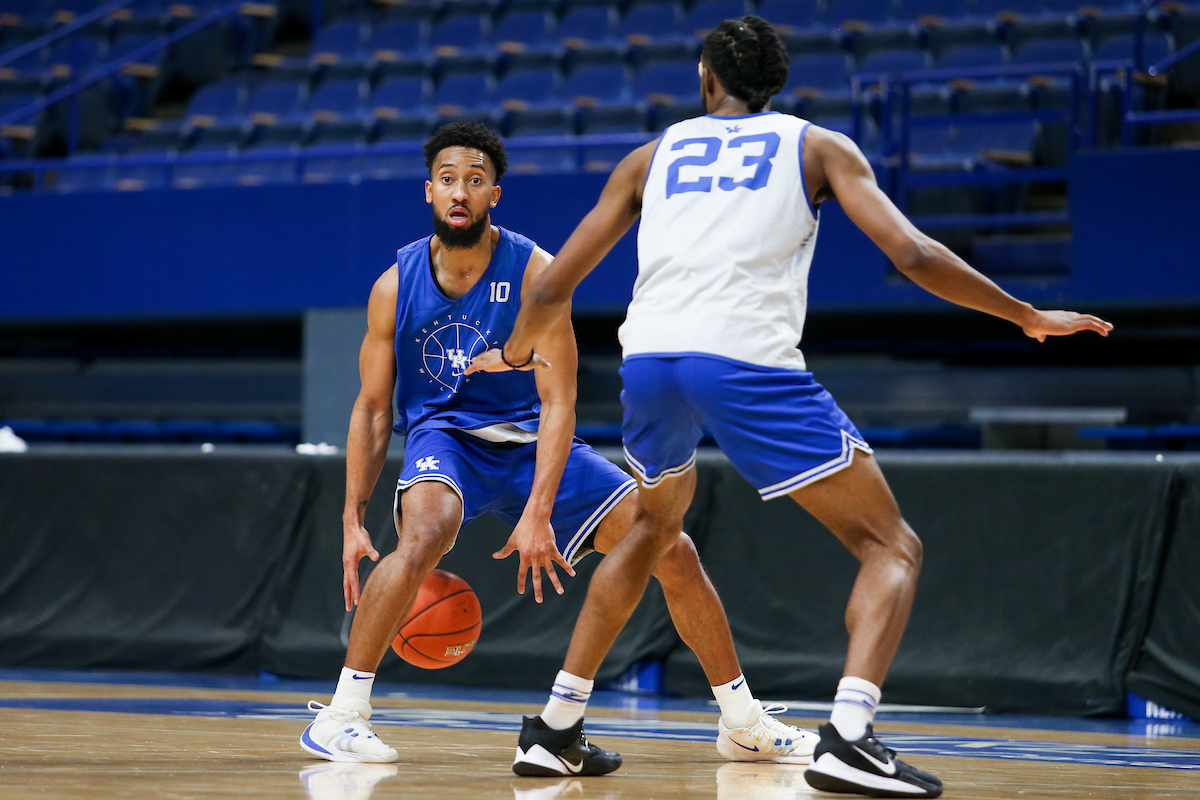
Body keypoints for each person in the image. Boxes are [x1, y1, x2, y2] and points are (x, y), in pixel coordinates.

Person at [467, 17, 1113, 797]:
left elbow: (549, 287)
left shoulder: (650, 155)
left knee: (649, 529)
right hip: (741, 361)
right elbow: (910, 253)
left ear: (706, 77)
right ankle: (849, 737)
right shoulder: (817, 146)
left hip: (651, 364)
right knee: (892, 547)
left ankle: (557, 727)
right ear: (776, 83)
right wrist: (1024, 314)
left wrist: (510, 353)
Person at [299, 121, 818, 770]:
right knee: (425, 533)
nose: (461, 191)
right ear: (428, 191)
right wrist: (351, 518)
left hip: (530, 437)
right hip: (446, 438)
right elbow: (373, 409)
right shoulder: (394, 287)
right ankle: (342, 716)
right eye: (449, 180)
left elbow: (560, 404)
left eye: (476, 180)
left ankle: (743, 722)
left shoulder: (536, 274)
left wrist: (539, 510)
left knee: (670, 546)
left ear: (496, 196)